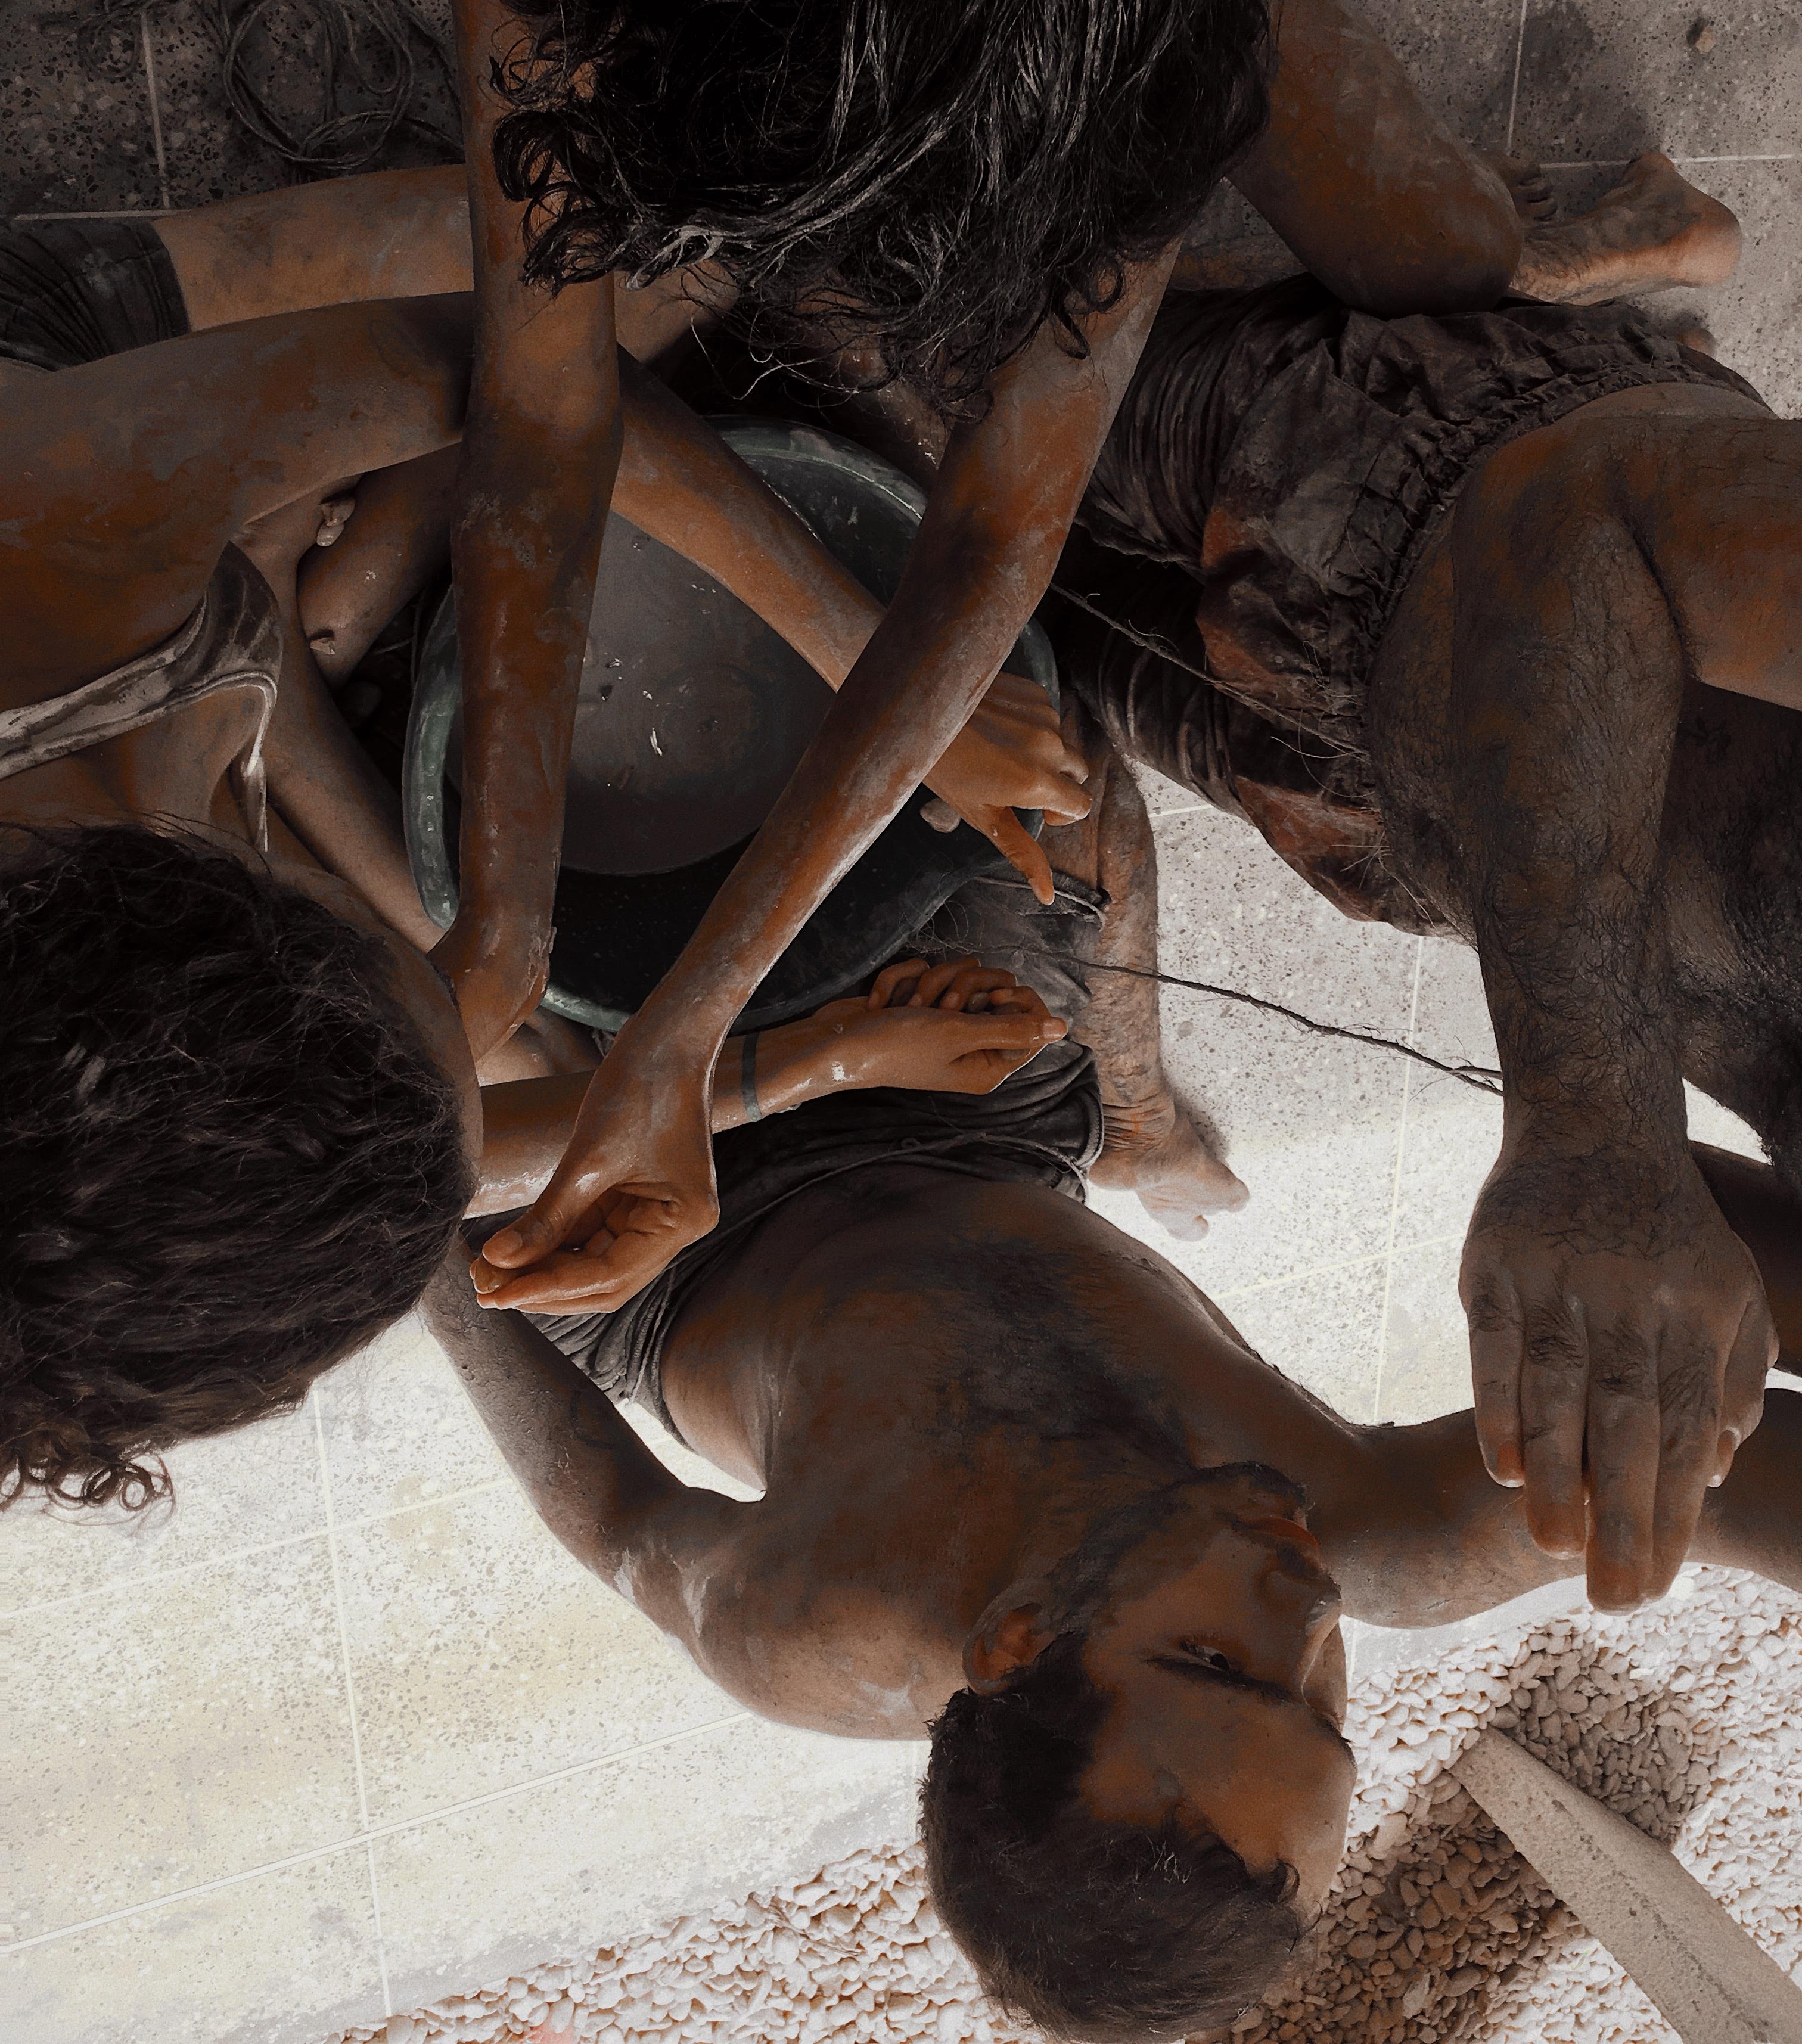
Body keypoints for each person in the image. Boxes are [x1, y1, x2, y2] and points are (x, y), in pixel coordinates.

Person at [414, 0, 1625, 1309]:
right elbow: (546, 413)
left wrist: (688, 1033)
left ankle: (1570, 235)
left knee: (1450, 253)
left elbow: (997, 525)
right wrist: (513, 926)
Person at [424, 874, 1802, 2043]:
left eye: (1216, 1663)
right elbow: (1729, 1464)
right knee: (1025, 811)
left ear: (1018, 1638)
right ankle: (1136, 1115)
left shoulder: (820, 1619)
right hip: (985, 1133)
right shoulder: (1364, 1537)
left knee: (479, 1001)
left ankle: (1129, 1106)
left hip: (688, 1254)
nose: (1311, 1610)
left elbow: (617, 1522)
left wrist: (428, 1253)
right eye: (1326, 1713)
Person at [0, 173, 1077, 1508]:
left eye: (414, 978)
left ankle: (270, 512)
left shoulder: (35, 550)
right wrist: (781, 1067)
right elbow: (411, 1156)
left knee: (657, 231)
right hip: (173, 620)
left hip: (49, 382)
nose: (462, 994)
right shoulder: (83, 1089)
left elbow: (524, 370)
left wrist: (892, 673)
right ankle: (276, 540)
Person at [1039, 154, 1792, 1614]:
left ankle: (1510, 257)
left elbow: (1677, 1254)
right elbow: (1576, 511)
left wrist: (1610, 1365)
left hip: (1395, 811)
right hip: (1422, 470)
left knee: (958, 592)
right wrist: (1593, 1120)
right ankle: (1506, 267)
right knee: (865, 357)